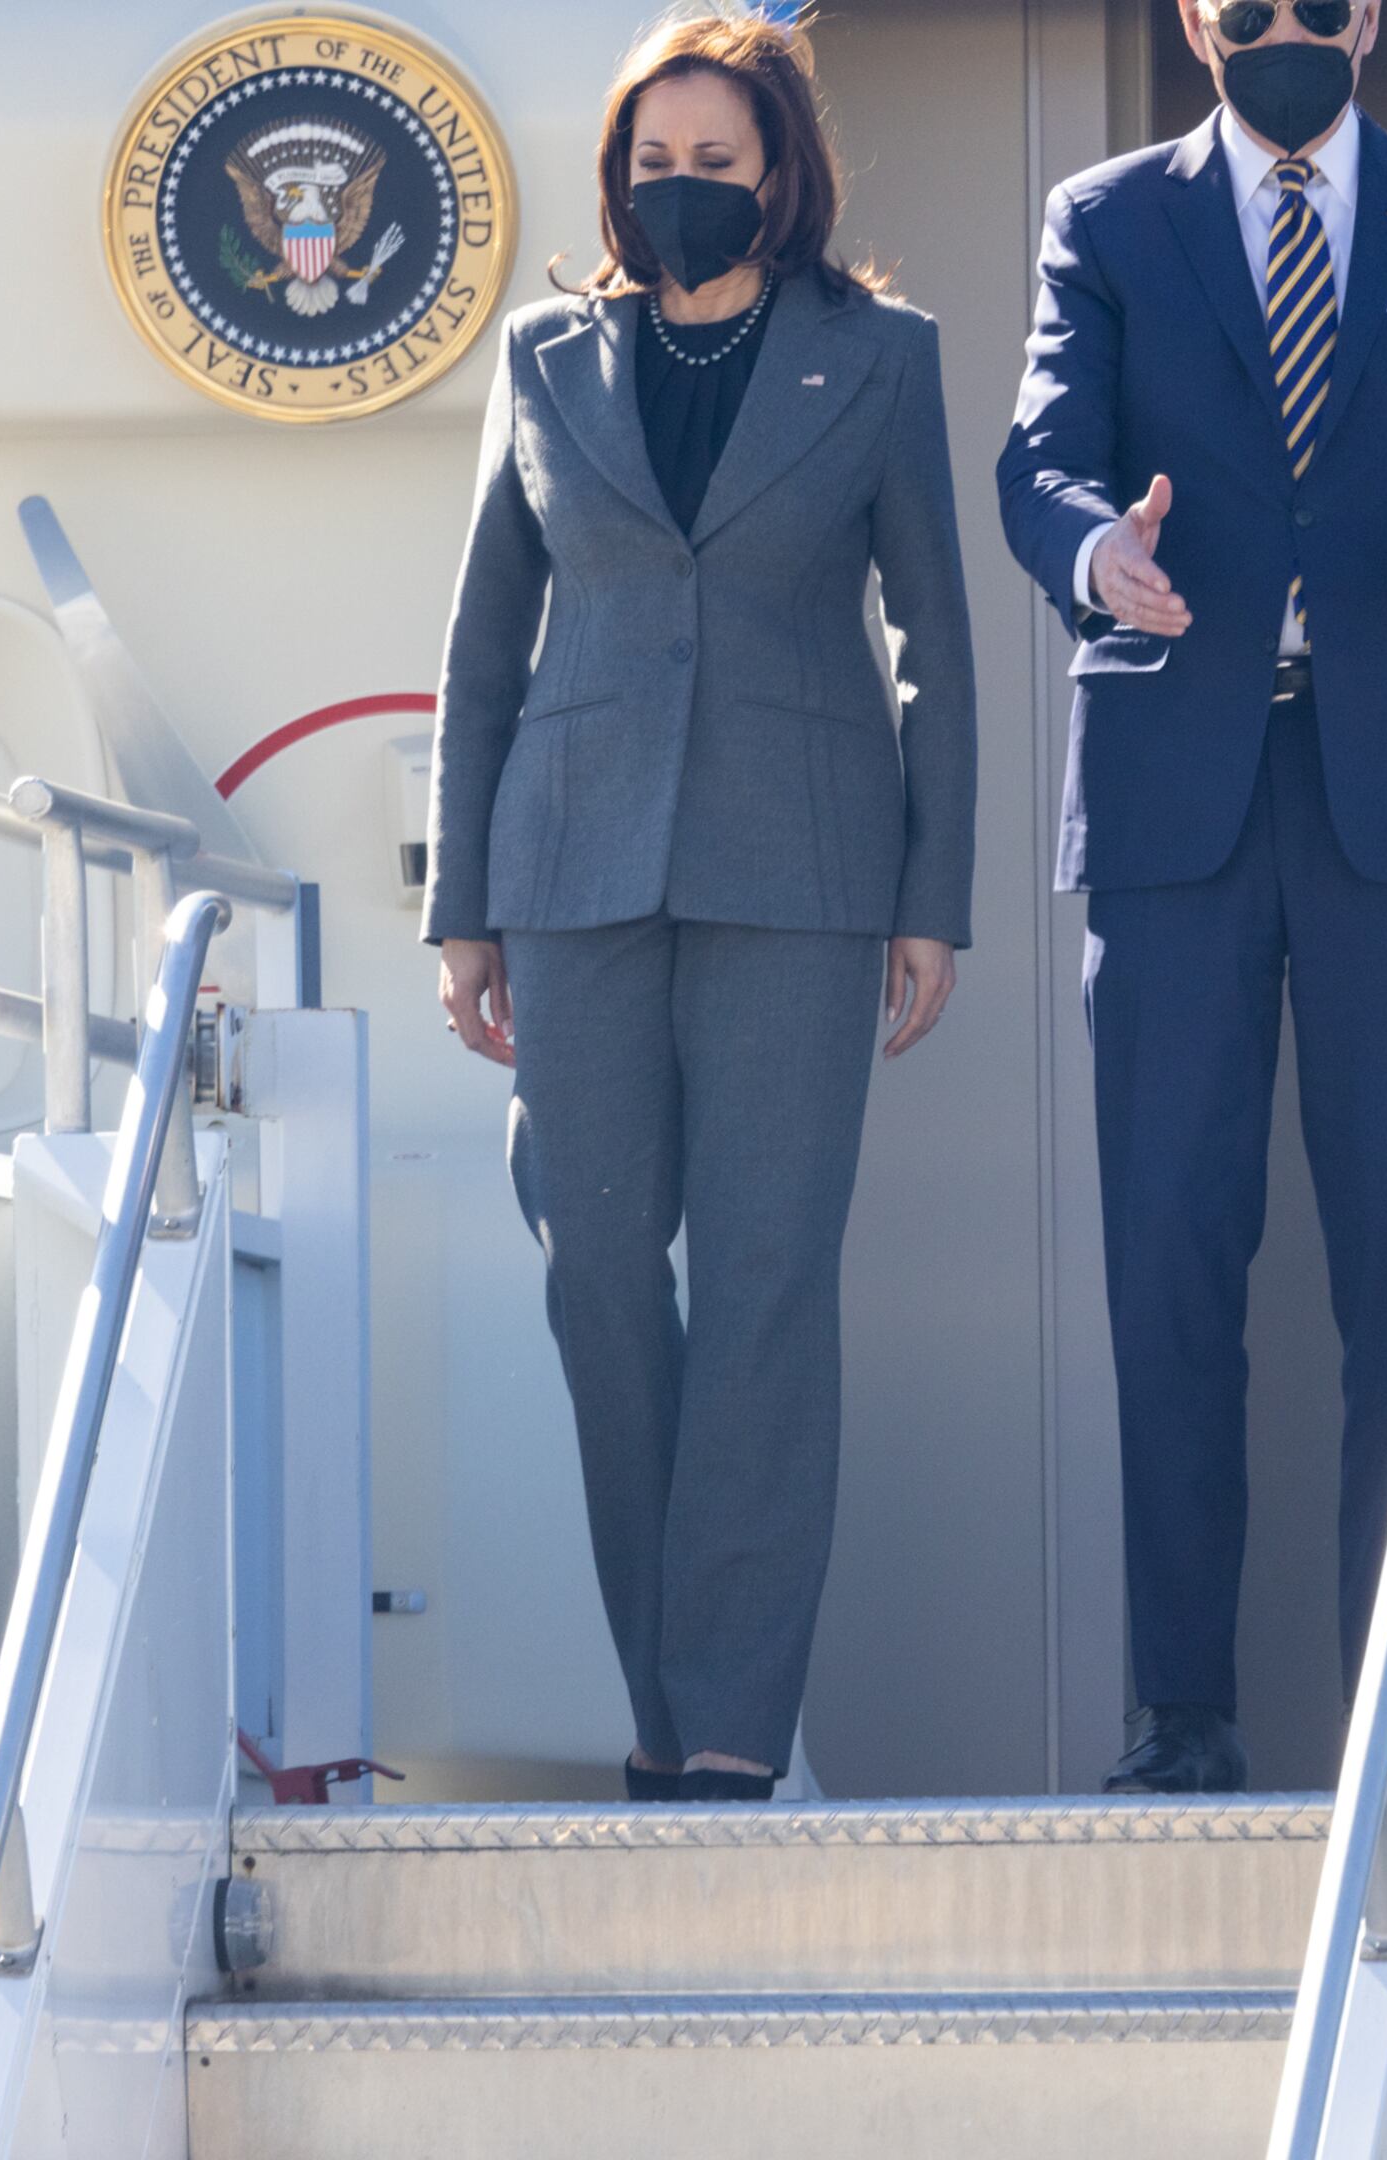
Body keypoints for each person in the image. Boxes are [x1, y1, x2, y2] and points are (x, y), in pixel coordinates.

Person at [996, 0, 1387, 1792]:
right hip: (1176, 796)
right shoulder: (1107, 217)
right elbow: (1037, 464)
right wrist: (1095, 550)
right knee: (1173, 1268)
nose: (1280, 22)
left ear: (1370, 17)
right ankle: (1180, 1720)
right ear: (1194, 17)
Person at [424, 9, 973, 1805]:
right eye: (651, 165)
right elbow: (482, 649)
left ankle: (719, 1731)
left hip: (800, 886)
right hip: (574, 876)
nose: (678, 192)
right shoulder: (544, 359)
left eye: (712, 165)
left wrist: (931, 897)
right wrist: (465, 907)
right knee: (597, 1279)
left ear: (780, 177)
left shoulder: (880, 356)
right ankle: (659, 1691)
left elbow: (939, 649)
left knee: (761, 1291)